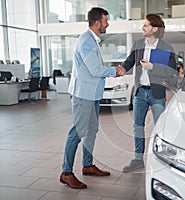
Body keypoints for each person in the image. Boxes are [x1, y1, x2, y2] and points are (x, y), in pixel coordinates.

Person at [60, 7, 126, 189]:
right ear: (97, 23)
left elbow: (94, 68)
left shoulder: (92, 40)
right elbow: (96, 70)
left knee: (91, 130)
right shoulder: (86, 42)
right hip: (83, 95)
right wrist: (116, 71)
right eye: (106, 21)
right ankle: (66, 172)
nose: (107, 24)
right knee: (78, 132)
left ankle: (87, 165)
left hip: (92, 94)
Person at [121, 13, 176, 173]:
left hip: (156, 92)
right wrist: (121, 69)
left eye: (145, 25)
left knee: (160, 128)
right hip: (140, 92)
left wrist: (153, 67)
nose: (142, 28)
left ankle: (161, 159)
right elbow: (130, 61)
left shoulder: (166, 47)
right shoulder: (138, 43)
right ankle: (138, 160)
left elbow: (171, 70)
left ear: (155, 28)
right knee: (138, 126)